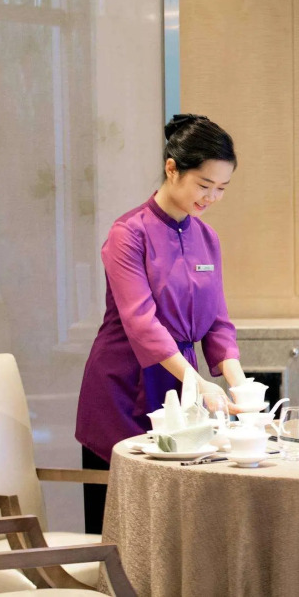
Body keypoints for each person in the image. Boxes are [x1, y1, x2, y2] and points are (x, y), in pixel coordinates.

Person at [75, 113, 245, 532]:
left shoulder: (207, 238)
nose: (212, 197)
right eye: (204, 185)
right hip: (124, 386)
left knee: (174, 522)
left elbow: (218, 324)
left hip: (181, 384)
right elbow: (142, 323)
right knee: (124, 526)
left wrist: (241, 388)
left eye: (222, 188)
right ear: (172, 169)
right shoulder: (128, 234)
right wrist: (198, 383)